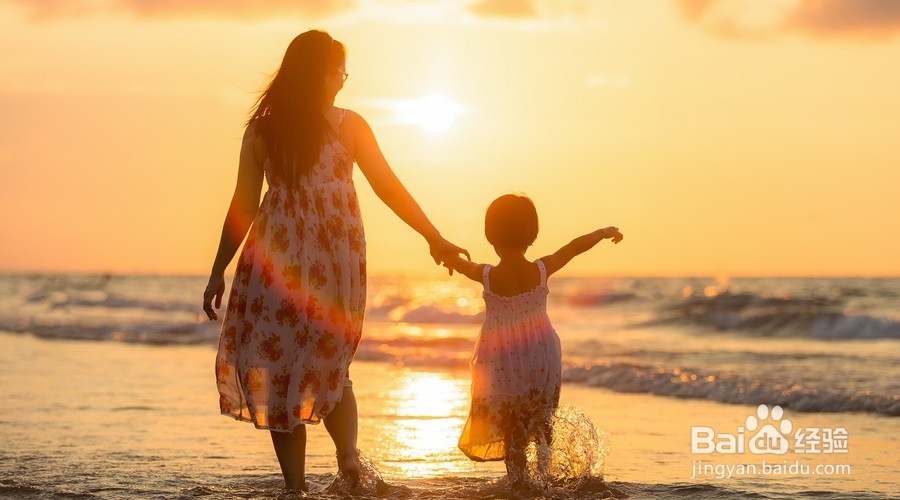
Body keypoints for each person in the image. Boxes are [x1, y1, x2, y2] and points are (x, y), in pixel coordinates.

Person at [201, 30, 467, 492]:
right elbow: (387, 186)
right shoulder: (347, 125)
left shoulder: (265, 128)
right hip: (331, 262)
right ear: (320, 72)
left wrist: (218, 270)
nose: (344, 79)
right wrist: (433, 237)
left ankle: (297, 488)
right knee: (329, 363)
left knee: (280, 367)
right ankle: (349, 469)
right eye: (340, 69)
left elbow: (243, 205)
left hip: (275, 263)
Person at [441, 194, 623, 485]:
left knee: (512, 424)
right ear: (532, 234)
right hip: (541, 354)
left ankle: (519, 481)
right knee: (542, 418)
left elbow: (459, 264)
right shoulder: (541, 269)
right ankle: (544, 476)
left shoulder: (487, 274)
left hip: (501, 359)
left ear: (490, 235)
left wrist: (444, 254)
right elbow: (574, 247)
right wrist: (603, 233)